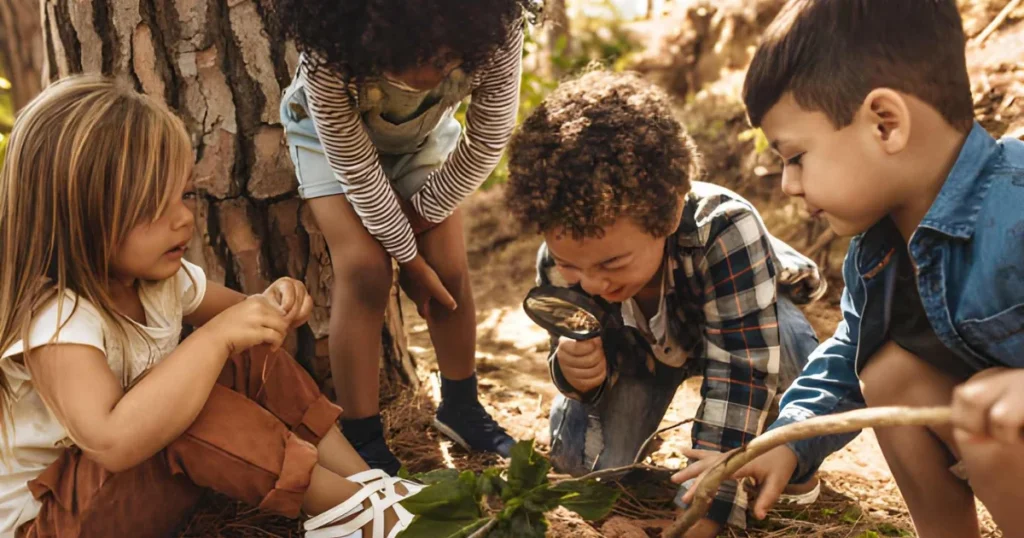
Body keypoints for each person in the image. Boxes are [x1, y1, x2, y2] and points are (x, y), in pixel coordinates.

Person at [0, 75, 422, 538]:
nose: (184, 218)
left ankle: (368, 486)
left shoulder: (159, 281)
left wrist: (274, 302)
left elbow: (249, 321)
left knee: (244, 351)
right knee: (190, 401)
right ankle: (355, 516)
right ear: (79, 216)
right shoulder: (58, 321)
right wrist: (214, 338)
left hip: (134, 491)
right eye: (152, 207)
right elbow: (112, 443)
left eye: (183, 195)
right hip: (56, 523)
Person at [674, 1, 1024, 536]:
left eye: (796, 157)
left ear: (885, 125)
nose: (789, 184)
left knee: (998, 408)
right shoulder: (877, 253)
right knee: (888, 371)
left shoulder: (1016, 202)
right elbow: (846, 358)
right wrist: (787, 442)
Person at [505, 70, 825, 537]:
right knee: (583, 465)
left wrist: (705, 511)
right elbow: (569, 351)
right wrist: (575, 375)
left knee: (790, 343)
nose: (591, 284)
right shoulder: (565, 261)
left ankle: (789, 459)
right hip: (641, 357)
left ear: (670, 213)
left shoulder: (726, 229)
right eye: (572, 264)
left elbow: (741, 370)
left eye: (612, 263)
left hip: (740, 329)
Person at [273, 0, 534, 473]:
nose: (427, 74)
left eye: (443, 59)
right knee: (366, 270)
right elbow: (355, 166)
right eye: (411, 58)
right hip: (328, 143)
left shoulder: (496, 23)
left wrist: (417, 227)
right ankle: (363, 436)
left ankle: (461, 406)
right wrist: (408, 262)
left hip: (423, 140)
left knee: (449, 268)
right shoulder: (328, 50)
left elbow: (490, 136)